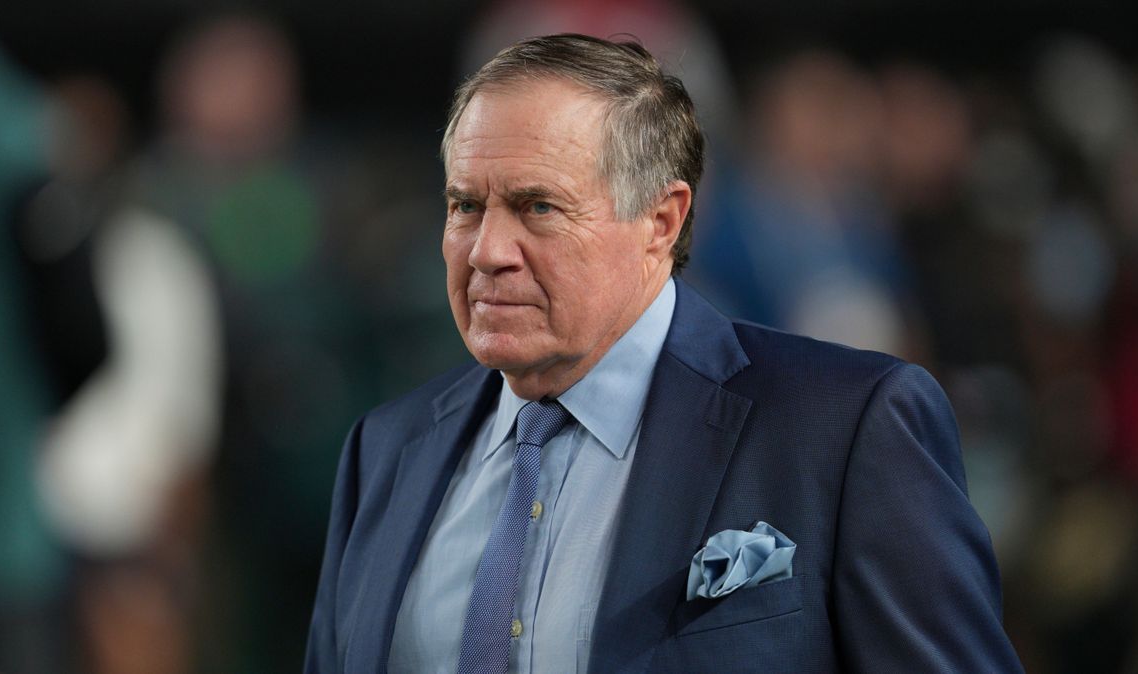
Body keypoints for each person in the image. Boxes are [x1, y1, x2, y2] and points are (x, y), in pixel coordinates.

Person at [305, 33, 1022, 673]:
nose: (488, 252)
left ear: (661, 219)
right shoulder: (385, 451)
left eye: (538, 208)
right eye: (465, 205)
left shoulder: (844, 428)